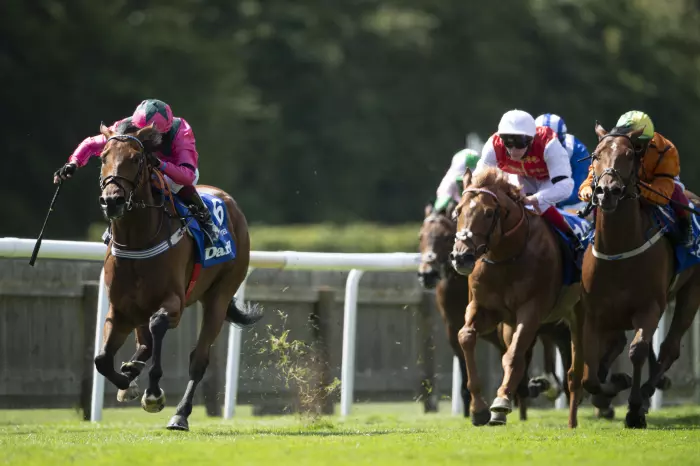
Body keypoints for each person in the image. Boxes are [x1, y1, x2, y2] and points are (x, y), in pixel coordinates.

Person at [53, 99, 219, 242]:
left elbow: (187, 176)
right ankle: (116, 225)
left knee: (173, 185)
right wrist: (73, 163)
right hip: (140, 165)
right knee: (127, 183)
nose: (141, 137)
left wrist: (160, 164)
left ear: (163, 132)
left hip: (175, 170)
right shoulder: (124, 127)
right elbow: (90, 144)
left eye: (148, 135)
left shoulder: (180, 131)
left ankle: (204, 217)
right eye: (138, 131)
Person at [578, 110, 693, 247]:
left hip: (655, 181)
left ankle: (686, 227)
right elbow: (593, 175)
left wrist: (639, 188)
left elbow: (664, 193)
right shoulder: (613, 146)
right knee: (606, 189)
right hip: (624, 179)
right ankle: (594, 227)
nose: (633, 145)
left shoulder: (666, 149)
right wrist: (588, 190)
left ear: (649, 140)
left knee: (676, 193)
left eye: (639, 144)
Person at [473, 109, 582, 250]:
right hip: (518, 176)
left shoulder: (549, 144)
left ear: (531, 139)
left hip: (547, 178)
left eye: (520, 142)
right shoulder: (493, 145)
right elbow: (477, 178)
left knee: (540, 204)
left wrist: (535, 198)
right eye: (507, 141)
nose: (513, 149)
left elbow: (566, 185)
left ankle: (571, 238)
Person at [535, 113, 591, 212]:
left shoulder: (578, 150)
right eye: (541, 140)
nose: (548, 146)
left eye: (552, 141)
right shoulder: (523, 148)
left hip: (571, 204)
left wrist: (549, 200)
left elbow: (580, 189)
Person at [434, 148, 481, 213]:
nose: (465, 184)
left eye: (470, 180)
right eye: (462, 181)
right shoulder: (449, 181)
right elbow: (441, 203)